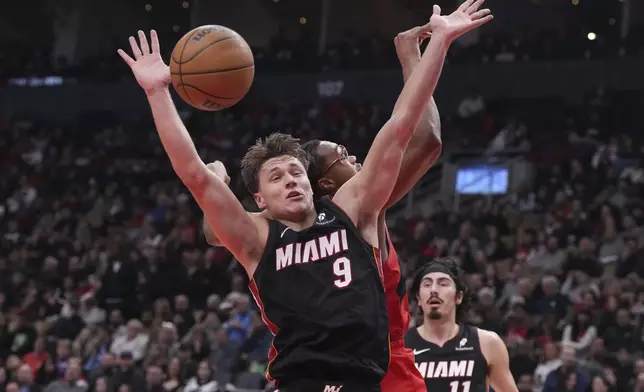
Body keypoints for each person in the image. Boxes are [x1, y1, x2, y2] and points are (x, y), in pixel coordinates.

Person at [118, 1, 492, 390]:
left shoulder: (354, 209)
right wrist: (158, 91)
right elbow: (194, 174)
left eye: (296, 172)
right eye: (276, 177)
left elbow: (402, 126)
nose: (291, 180)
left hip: (366, 377)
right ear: (260, 199)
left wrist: (440, 43)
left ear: (313, 185)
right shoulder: (257, 238)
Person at [201, 20, 451, 392]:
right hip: (370, 366)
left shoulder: (308, 217)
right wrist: (410, 58)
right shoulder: (358, 209)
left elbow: (213, 232)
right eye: (344, 156)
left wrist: (216, 187)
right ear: (327, 185)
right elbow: (427, 140)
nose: (357, 160)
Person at [406, 258, 518, 392]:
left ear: (459, 296)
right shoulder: (400, 347)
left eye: (443, 284)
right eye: (427, 284)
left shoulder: (487, 343)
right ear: (418, 298)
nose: (434, 290)